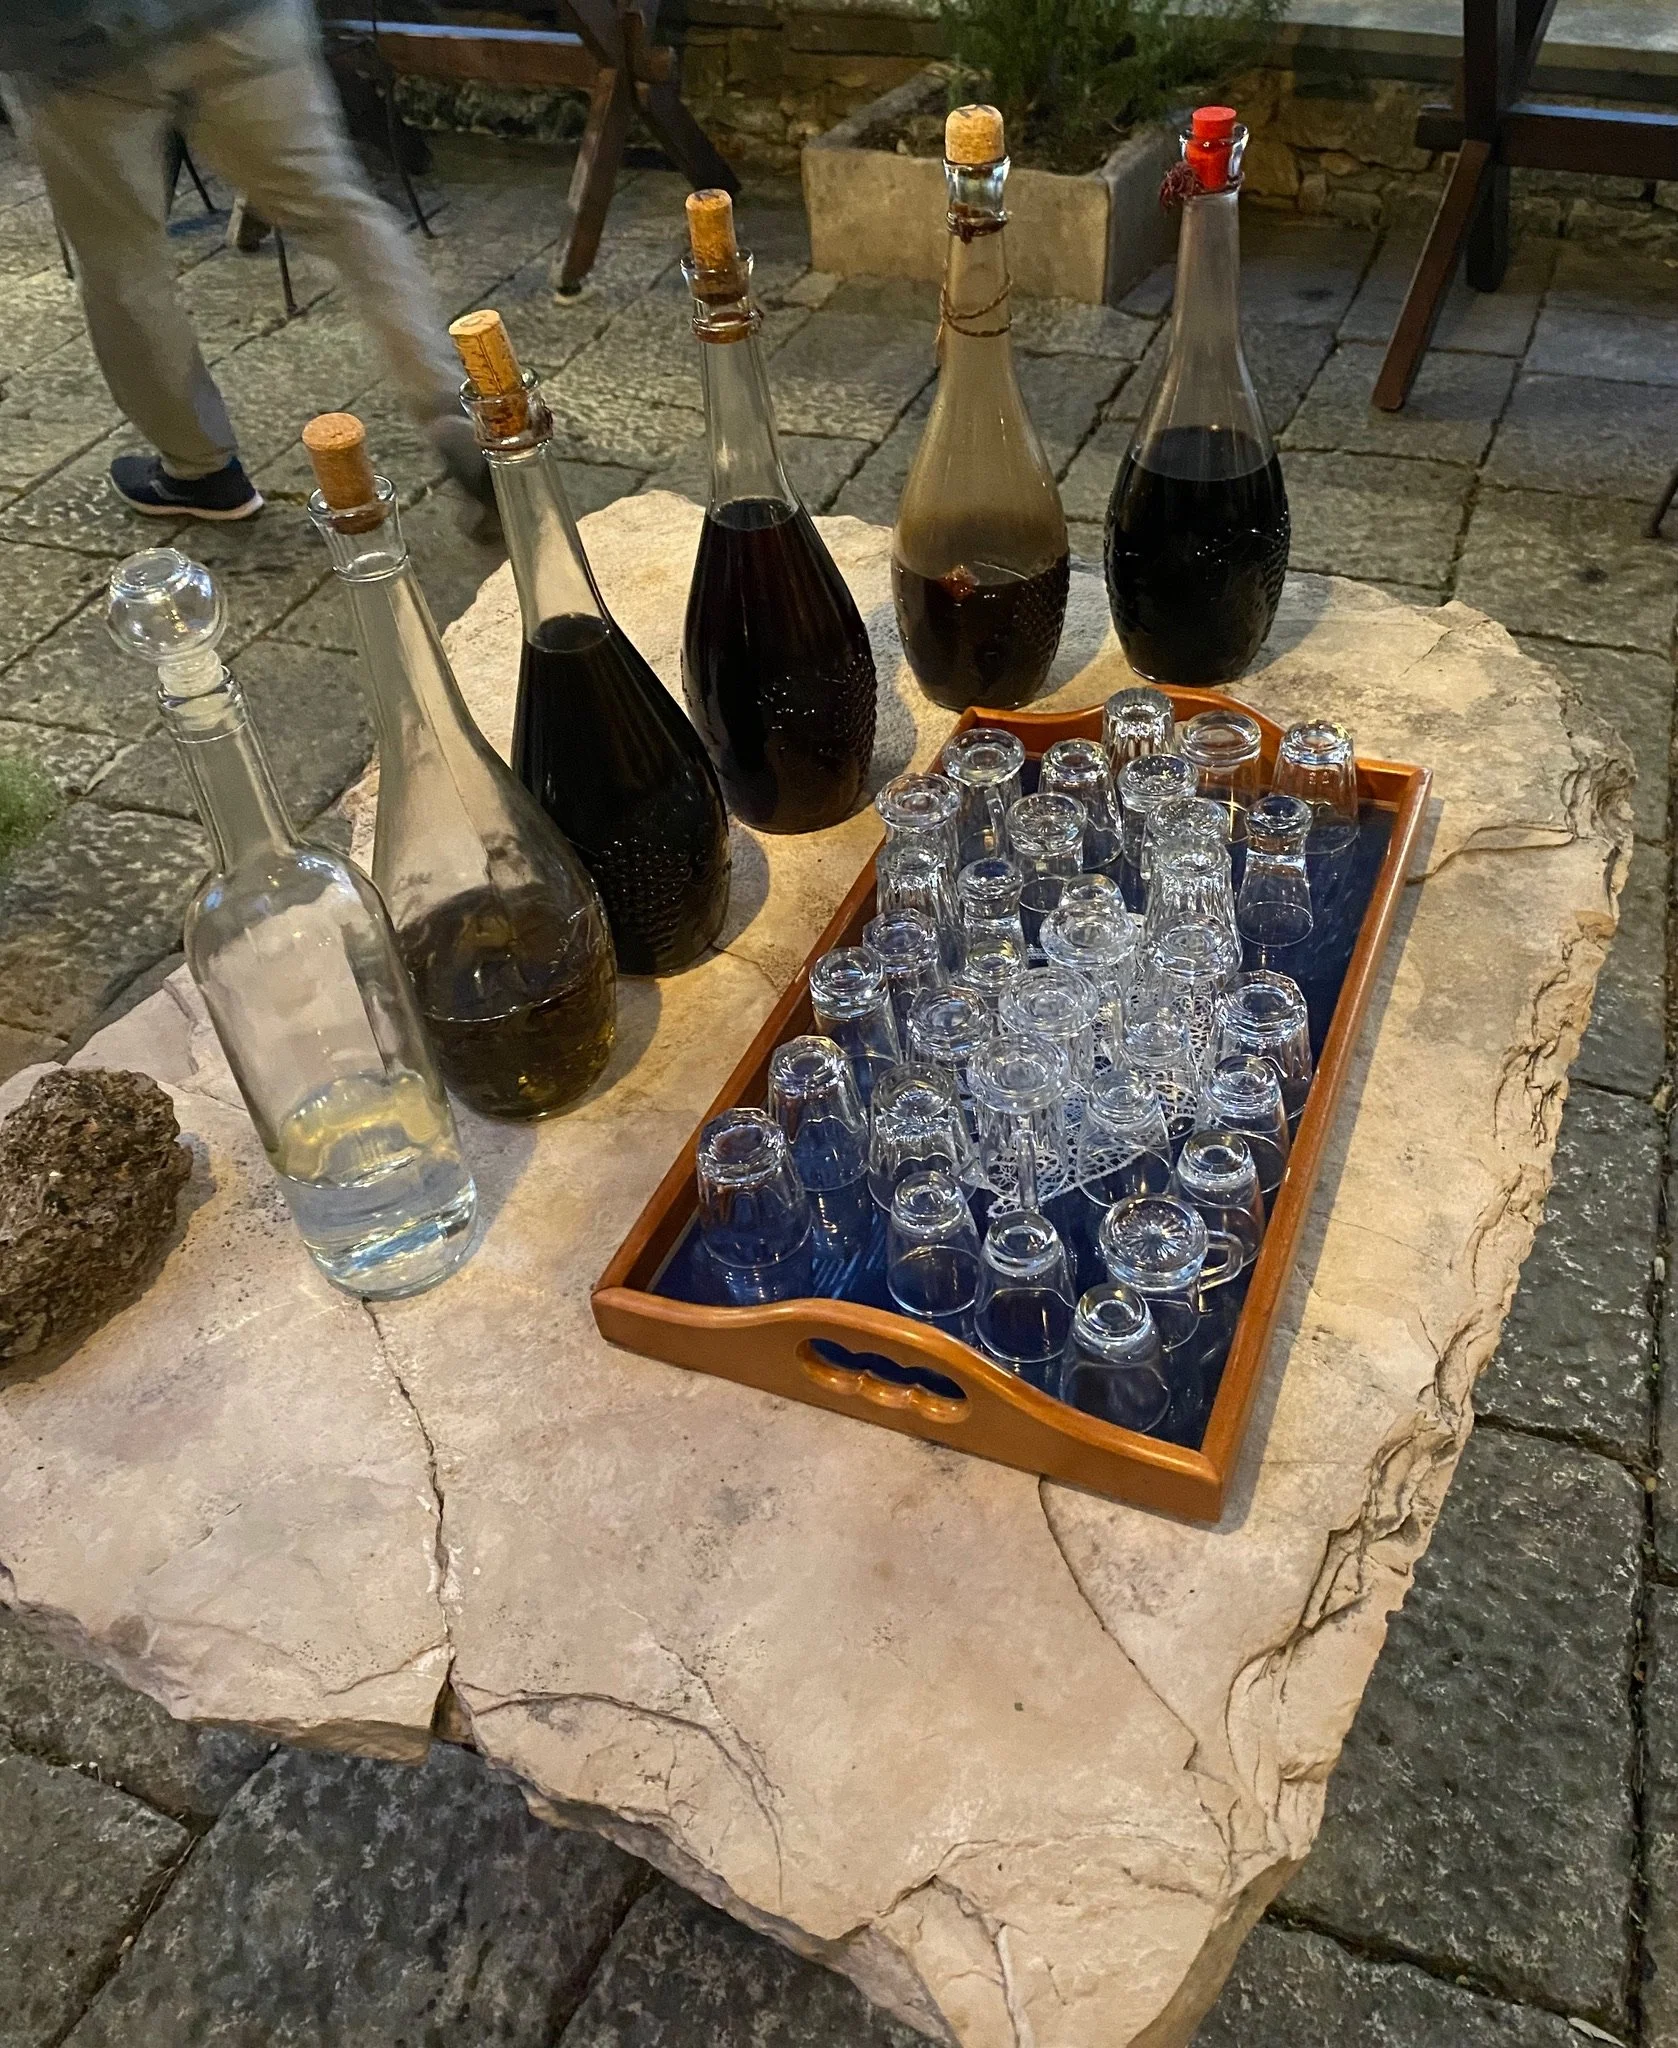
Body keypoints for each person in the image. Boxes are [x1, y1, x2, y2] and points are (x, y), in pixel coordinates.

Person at [0, 0, 487, 521]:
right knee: (341, 217)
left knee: (123, 269)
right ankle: (452, 413)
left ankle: (200, 469)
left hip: (77, 49)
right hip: (239, 18)